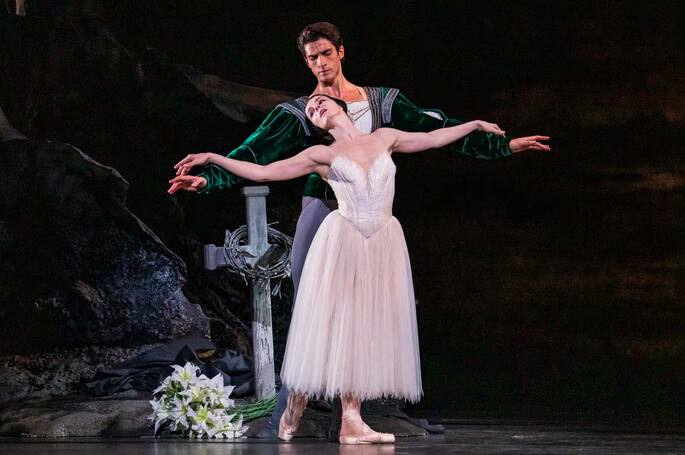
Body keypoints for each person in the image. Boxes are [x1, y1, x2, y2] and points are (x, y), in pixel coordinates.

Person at [168, 22, 550, 439]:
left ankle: (351, 416)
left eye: (325, 54)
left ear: (341, 53)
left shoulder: (382, 107)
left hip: (376, 222)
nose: (319, 64)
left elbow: (436, 130)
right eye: (310, 58)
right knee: (316, 305)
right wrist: (210, 175)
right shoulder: (304, 116)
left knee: (365, 312)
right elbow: (258, 157)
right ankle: (294, 403)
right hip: (328, 210)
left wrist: (501, 143)